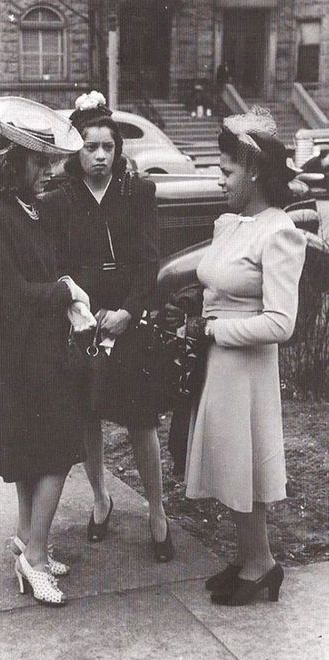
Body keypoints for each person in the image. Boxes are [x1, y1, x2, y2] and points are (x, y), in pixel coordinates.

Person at [0, 96, 93, 607]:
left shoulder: (29, 208)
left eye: (50, 162)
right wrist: (63, 289)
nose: (49, 172)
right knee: (57, 453)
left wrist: (60, 287)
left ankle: (26, 539)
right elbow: (7, 294)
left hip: (40, 353)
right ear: (13, 161)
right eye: (40, 163)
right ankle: (34, 558)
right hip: (18, 357)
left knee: (39, 454)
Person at [41, 91, 174, 562]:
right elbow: (56, 264)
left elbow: (148, 261)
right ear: (75, 151)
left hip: (126, 322)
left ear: (119, 149)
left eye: (108, 147)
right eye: (89, 147)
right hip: (84, 325)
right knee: (86, 416)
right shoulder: (59, 200)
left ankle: (157, 512)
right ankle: (101, 499)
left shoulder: (138, 193)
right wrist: (83, 314)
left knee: (141, 419)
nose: (100, 156)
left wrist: (130, 313)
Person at [184, 107, 307, 605]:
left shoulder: (278, 231)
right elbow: (215, 283)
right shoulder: (231, 223)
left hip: (247, 368)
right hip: (220, 364)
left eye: (226, 171)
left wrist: (216, 329)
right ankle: (248, 556)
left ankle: (262, 565)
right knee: (232, 464)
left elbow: (282, 323)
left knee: (244, 465)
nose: (219, 180)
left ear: (253, 171)